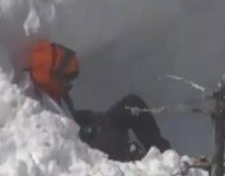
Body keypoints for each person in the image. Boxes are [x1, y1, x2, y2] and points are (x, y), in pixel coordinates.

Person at [27, 39, 171, 162]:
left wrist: (93, 118)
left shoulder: (58, 94)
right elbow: (67, 143)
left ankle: (165, 155)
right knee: (114, 140)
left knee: (132, 104)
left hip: (91, 132)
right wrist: (93, 133)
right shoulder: (45, 110)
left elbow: (72, 118)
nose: (70, 83)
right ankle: (142, 166)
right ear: (53, 78)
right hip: (90, 151)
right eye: (67, 78)